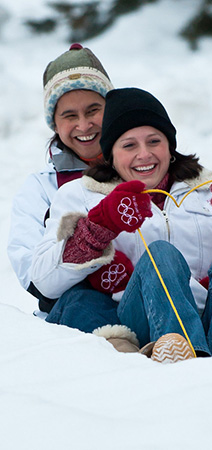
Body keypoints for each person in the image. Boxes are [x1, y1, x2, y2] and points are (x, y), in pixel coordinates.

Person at [30, 87, 212, 378]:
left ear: (170, 147)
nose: (144, 154)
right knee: (160, 255)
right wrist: (102, 224)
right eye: (129, 145)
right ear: (110, 155)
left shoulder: (210, 190)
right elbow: (45, 282)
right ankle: (182, 354)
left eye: (154, 141)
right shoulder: (81, 196)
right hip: (138, 320)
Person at [7, 43, 114, 313]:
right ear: (54, 123)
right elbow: (30, 271)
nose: (84, 125)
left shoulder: (142, 168)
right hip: (74, 309)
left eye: (93, 110)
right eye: (69, 116)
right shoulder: (42, 187)